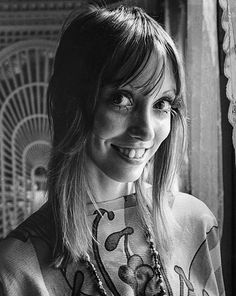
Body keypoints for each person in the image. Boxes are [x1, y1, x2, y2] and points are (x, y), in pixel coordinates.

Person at [0, 4, 225, 296]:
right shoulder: (16, 269)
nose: (145, 130)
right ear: (72, 104)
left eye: (161, 104)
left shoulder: (197, 223)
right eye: (121, 99)